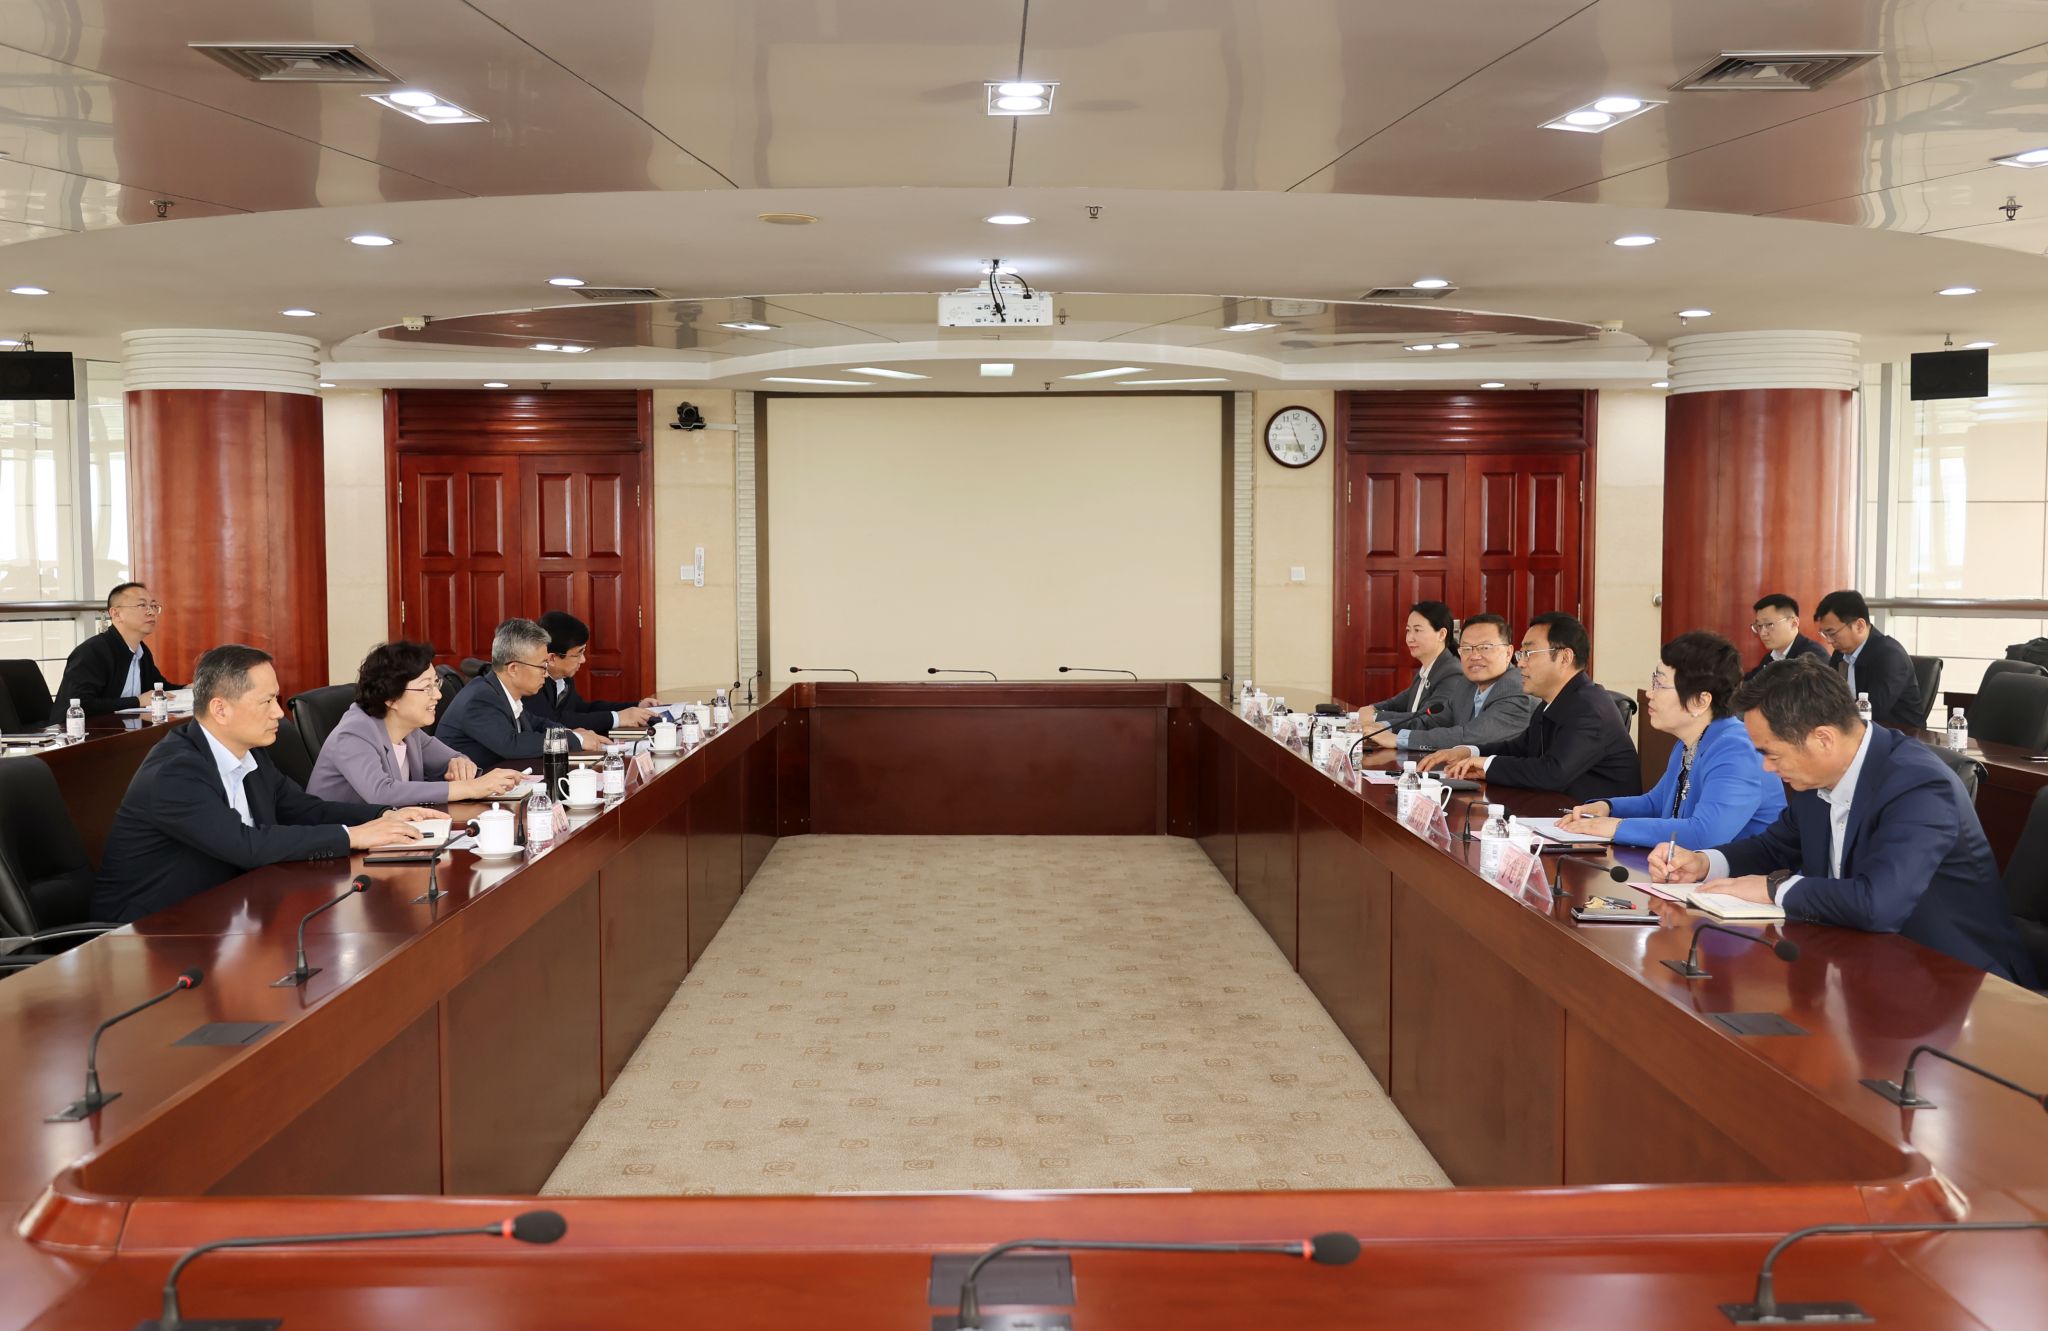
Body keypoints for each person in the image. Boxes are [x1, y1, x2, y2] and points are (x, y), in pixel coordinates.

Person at [1650, 657, 2033, 985]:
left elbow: (1878, 903)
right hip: (1856, 962)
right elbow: (1773, 847)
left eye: (1772, 754)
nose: (1766, 767)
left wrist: (1772, 889)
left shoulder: (1918, 786)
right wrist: (1704, 862)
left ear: (1823, 739)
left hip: (1955, 982)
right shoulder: (1814, 776)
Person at [92, 645, 433, 923]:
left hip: (228, 911)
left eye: (277, 699)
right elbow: (246, 845)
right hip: (150, 933)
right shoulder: (175, 772)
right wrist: (353, 836)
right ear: (220, 709)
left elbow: (304, 809)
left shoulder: (251, 753)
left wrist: (384, 814)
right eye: (266, 701)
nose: (278, 713)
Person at [1558, 631, 1785, 847]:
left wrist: (1616, 827)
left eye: (1660, 684)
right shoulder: (1690, 742)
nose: (1650, 693)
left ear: (1700, 701)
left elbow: (1704, 834)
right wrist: (1608, 807)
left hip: (1749, 873)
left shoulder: (1737, 750)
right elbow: (1657, 803)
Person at [1420, 611, 1640, 801]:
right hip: (1559, 813)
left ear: (1564, 658)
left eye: (1529, 653)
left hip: (1601, 826)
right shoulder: (1553, 703)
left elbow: (1553, 772)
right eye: (1521, 654)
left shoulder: (1590, 709)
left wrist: (1485, 765)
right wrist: (1468, 752)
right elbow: (1518, 749)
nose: (1521, 663)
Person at [306, 640, 526, 805]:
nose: (437, 695)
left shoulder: (409, 732)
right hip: (337, 846)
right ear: (391, 698)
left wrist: (461, 764)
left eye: (435, 683)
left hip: (389, 835)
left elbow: (453, 758)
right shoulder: (353, 734)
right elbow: (381, 793)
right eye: (425, 687)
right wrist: (470, 787)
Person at [435, 618, 607, 769]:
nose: (546, 674)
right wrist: (576, 740)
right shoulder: (480, 699)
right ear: (513, 669)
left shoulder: (498, 691)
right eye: (542, 666)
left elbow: (537, 723)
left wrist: (568, 732)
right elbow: (512, 744)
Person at [1359, 613, 1536, 752]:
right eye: (1466, 648)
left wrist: (1398, 739)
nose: (1474, 656)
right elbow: (1431, 721)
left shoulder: (1517, 689)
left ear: (1508, 653)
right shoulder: (1467, 684)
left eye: (1485, 648)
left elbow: (1469, 737)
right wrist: (1383, 727)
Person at [54, 582, 181, 715]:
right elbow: (80, 704)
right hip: (85, 727)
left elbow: (159, 687)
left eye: (153, 606)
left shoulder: (141, 651)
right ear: (116, 614)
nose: (151, 612)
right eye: (142, 605)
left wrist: (187, 688)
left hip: (126, 724)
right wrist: (137, 701)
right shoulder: (92, 652)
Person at [526, 610, 660, 732]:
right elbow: (553, 722)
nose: (583, 660)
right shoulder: (531, 681)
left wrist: (637, 706)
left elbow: (583, 709)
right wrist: (617, 718)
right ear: (552, 658)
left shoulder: (564, 677)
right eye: (578, 654)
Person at [1814, 589, 1927, 729]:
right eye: (1824, 634)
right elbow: (1826, 696)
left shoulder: (1890, 656)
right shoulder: (1840, 653)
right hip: (1855, 730)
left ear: (1859, 626)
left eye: (1832, 633)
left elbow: (1873, 710)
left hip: (1900, 735)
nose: (1829, 641)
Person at [1358, 601, 1472, 737]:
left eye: (1417, 630)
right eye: (1408, 630)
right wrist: (1372, 709)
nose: (1409, 638)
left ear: (1441, 634)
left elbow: (1428, 720)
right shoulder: (1427, 670)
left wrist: (1375, 717)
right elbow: (1399, 702)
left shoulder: (1452, 673)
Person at [1743, 593, 1829, 682]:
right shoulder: (1770, 658)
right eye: (1759, 626)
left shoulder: (1813, 656)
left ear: (1794, 623)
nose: (1762, 633)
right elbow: (1749, 683)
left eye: (1769, 624)